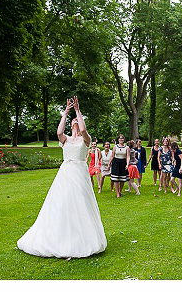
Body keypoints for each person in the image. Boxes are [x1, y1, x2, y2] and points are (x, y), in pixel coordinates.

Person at [18, 96, 107, 258]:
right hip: (65, 172)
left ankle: (81, 238)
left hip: (79, 173)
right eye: (74, 120)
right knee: (61, 202)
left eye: (77, 120)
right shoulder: (65, 139)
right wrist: (66, 112)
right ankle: (59, 236)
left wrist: (78, 110)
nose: (75, 121)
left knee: (80, 203)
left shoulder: (85, 140)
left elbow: (85, 130)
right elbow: (59, 131)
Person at [108, 134, 130, 198]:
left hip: (123, 162)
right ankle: (117, 193)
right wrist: (109, 163)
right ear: (118, 139)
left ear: (124, 140)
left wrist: (127, 164)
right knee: (116, 179)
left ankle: (120, 191)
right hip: (116, 163)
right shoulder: (115, 147)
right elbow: (112, 155)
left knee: (122, 179)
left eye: (122, 138)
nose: (121, 139)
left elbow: (128, 157)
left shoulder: (127, 147)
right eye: (120, 138)